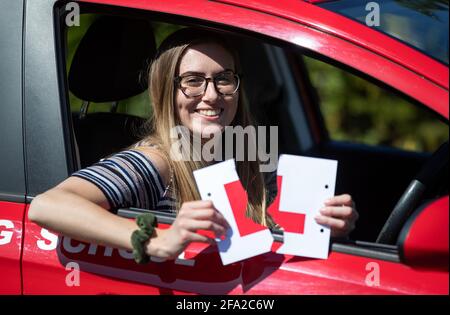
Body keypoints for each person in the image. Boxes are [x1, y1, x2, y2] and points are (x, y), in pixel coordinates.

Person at [28, 28, 358, 263]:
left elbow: (278, 236)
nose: (212, 95)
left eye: (224, 78)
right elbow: (48, 205)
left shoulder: (247, 152)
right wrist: (157, 240)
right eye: (193, 81)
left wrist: (329, 225)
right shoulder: (156, 161)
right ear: (166, 92)